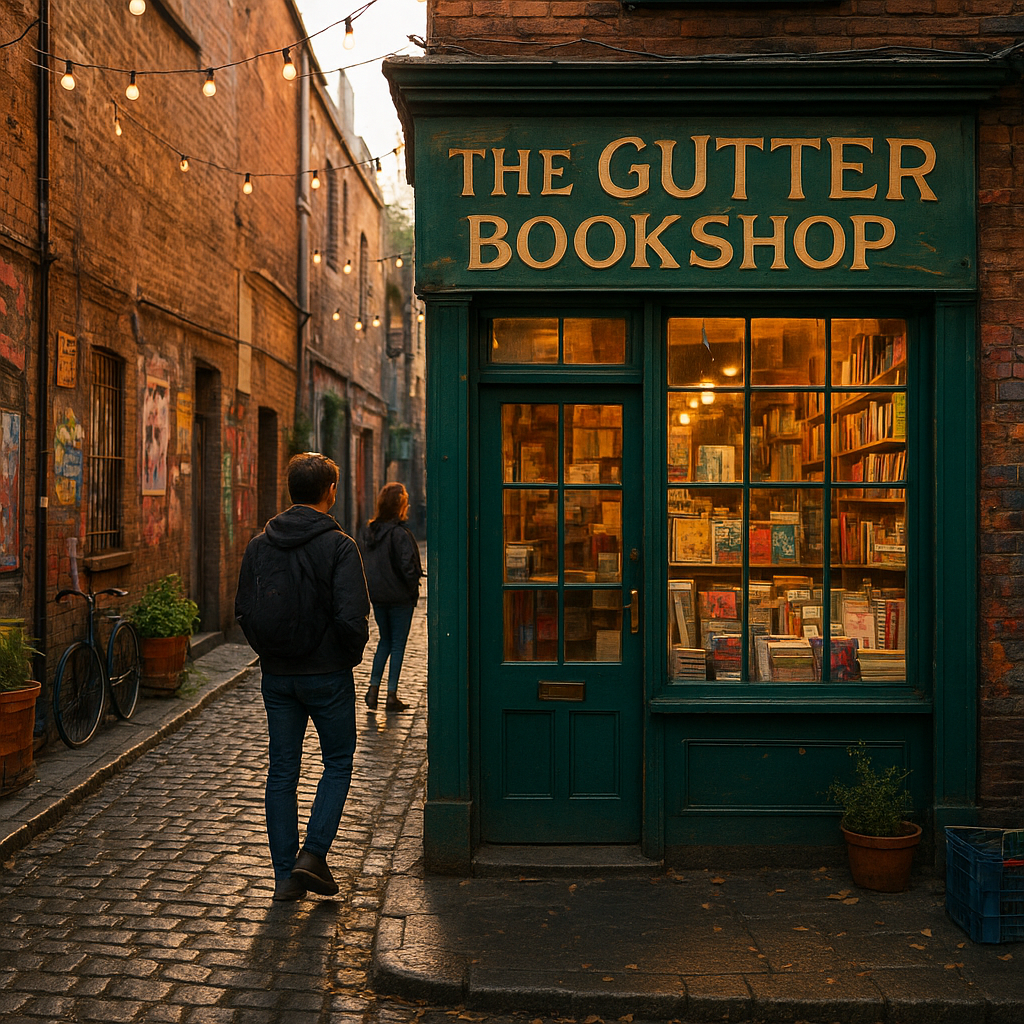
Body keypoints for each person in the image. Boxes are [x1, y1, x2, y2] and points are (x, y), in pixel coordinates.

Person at [235, 453, 370, 902]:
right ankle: (312, 855)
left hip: (277, 678)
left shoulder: (260, 544)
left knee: (282, 771)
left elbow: (244, 611)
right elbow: (353, 618)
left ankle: (284, 877)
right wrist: (342, 657)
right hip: (327, 676)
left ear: (290, 491)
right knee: (338, 761)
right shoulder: (339, 546)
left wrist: (271, 653)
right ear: (329, 491)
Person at [359, 482, 423, 713]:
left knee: (384, 641)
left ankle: (373, 690)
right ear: (401, 504)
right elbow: (407, 567)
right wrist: (411, 587)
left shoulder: (371, 531)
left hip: (378, 597)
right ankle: (391, 695)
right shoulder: (399, 533)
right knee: (398, 645)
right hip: (399, 598)